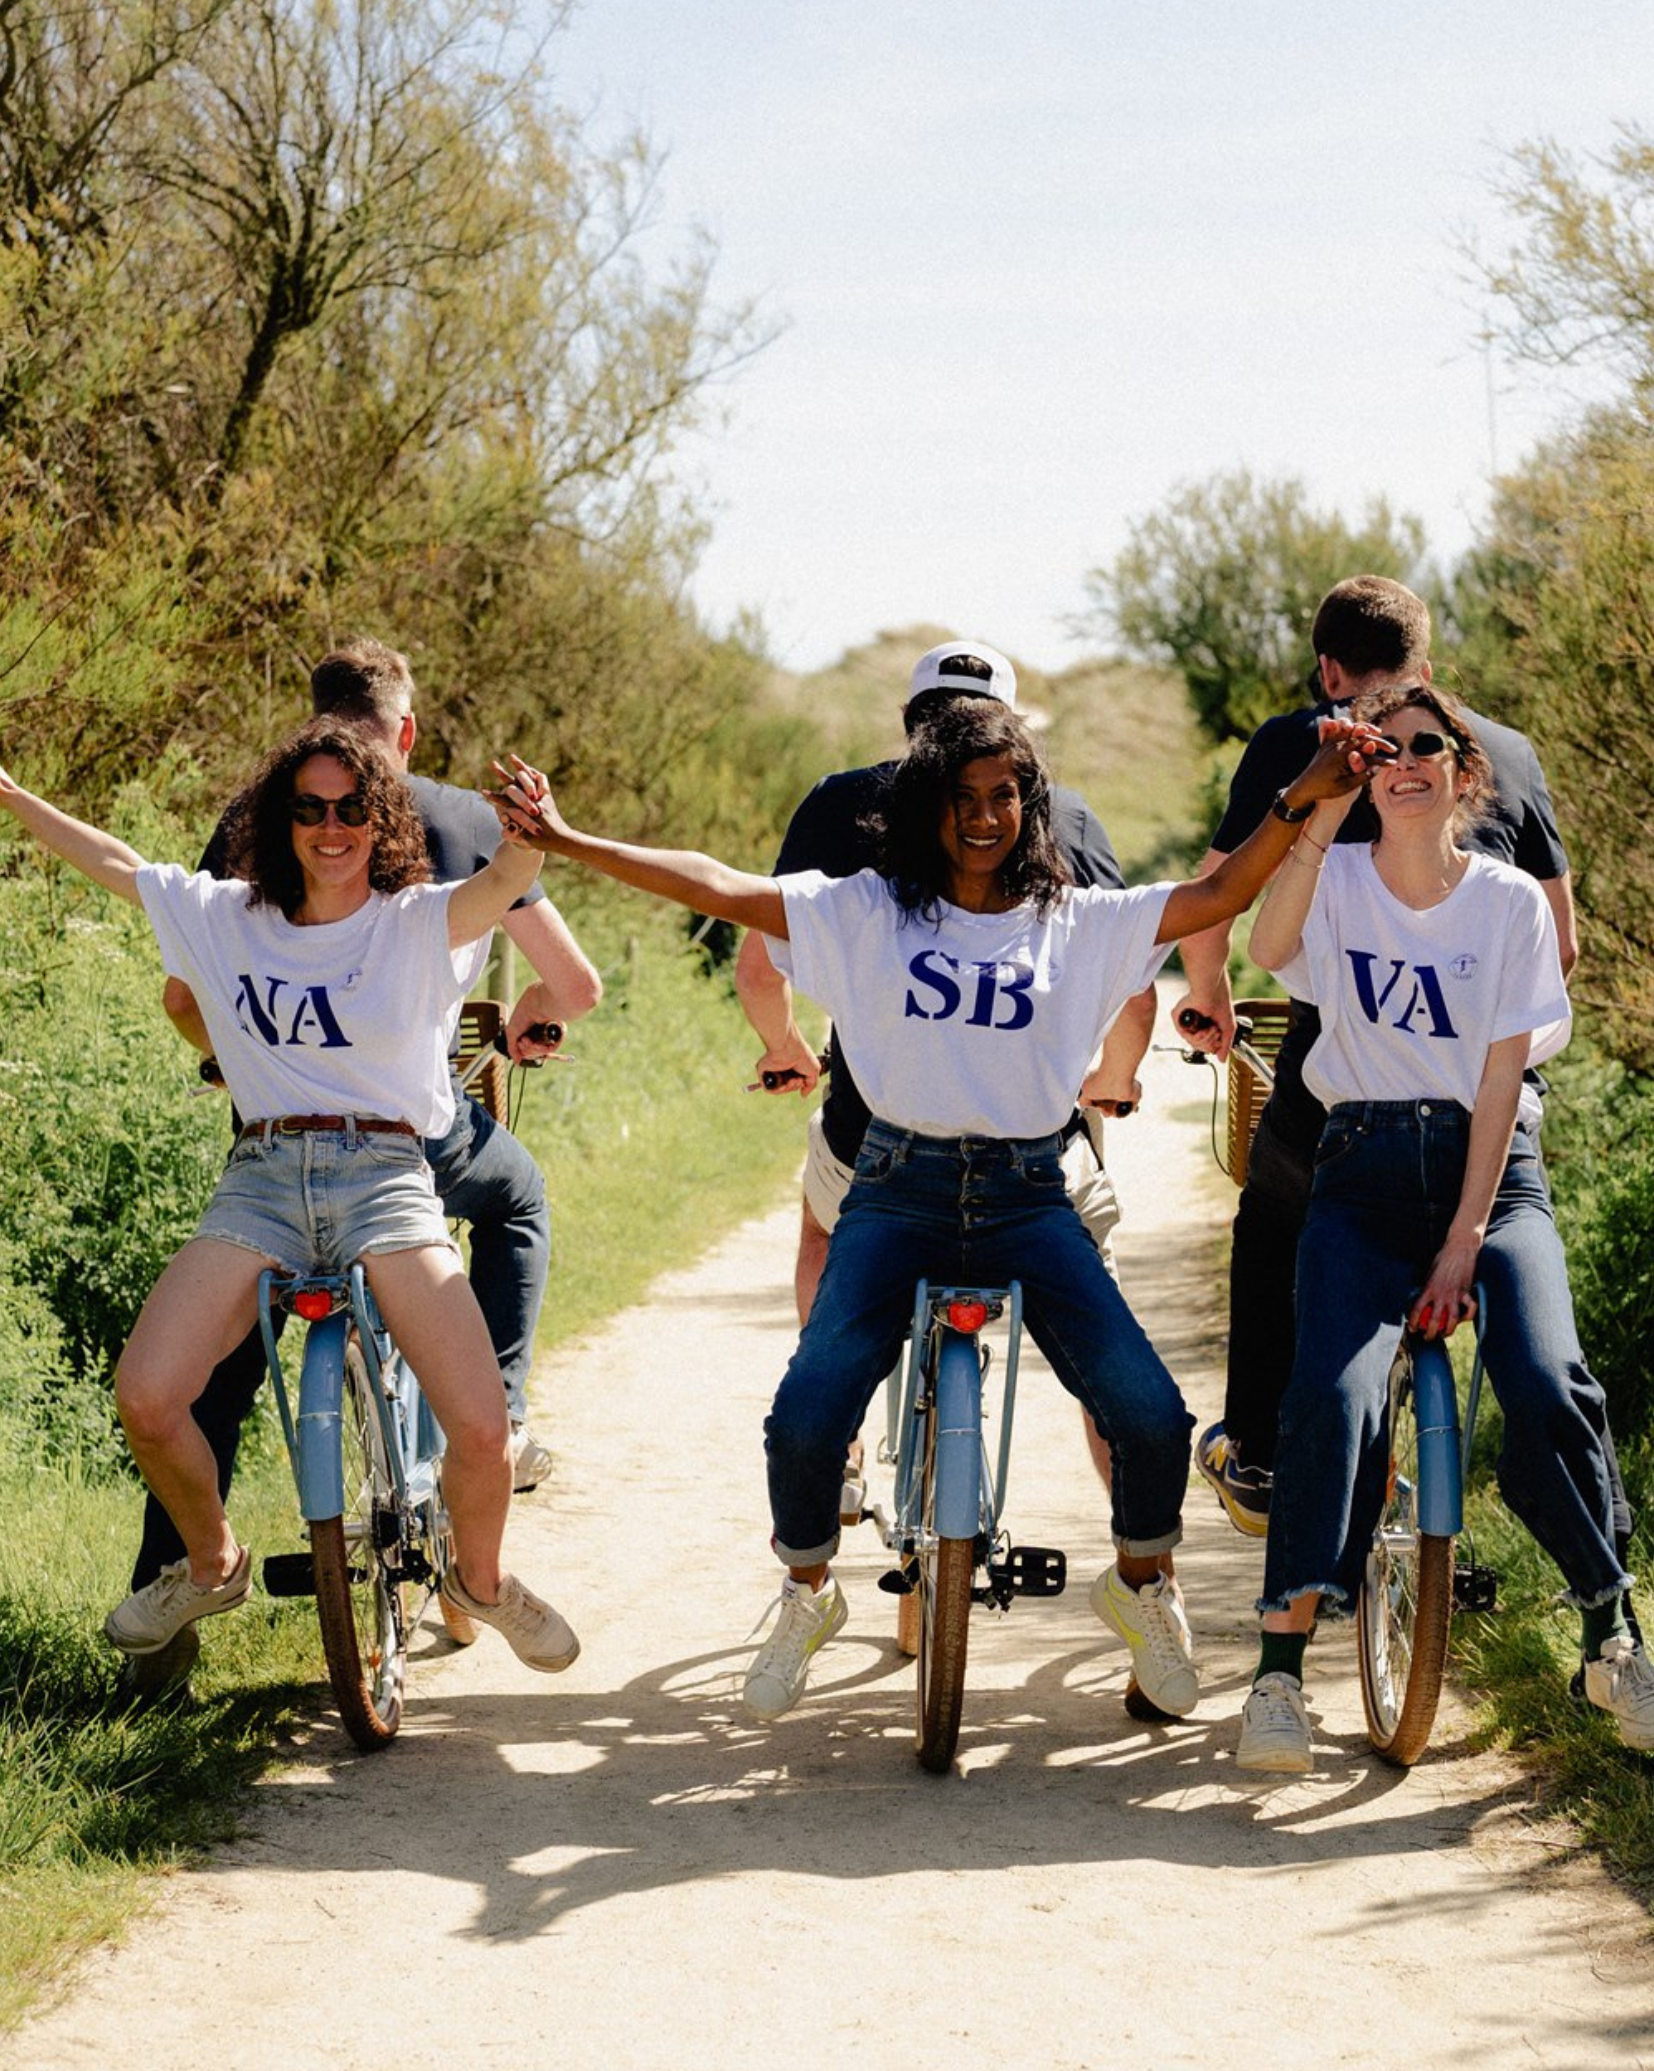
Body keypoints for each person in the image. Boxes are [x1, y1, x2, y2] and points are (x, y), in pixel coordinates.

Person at [488, 695, 1390, 1727]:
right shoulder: (867, 910)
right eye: (962, 796)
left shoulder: (1076, 921)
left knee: (1151, 1415)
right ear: (929, 804)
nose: (984, 815)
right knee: (806, 1413)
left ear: (1030, 806)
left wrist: (1305, 795)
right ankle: (807, 1593)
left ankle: (1142, 1587)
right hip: (897, 1189)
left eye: (1005, 795)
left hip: (1027, 1193)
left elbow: (1221, 887)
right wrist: (563, 840)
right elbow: (716, 883)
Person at [0, 720, 582, 1679]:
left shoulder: (415, 919)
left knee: (482, 1428)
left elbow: (497, 887)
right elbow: (117, 862)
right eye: (309, 808)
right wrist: (17, 800)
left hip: (389, 1177)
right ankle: (211, 1563)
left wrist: (530, 828)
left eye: (353, 808)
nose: (331, 827)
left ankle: (479, 1579)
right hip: (263, 1179)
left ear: (381, 818)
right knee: (147, 1395)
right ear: (284, 819)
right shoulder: (230, 915)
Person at [126, 638, 601, 1702]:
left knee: (216, 1378)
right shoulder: (464, 817)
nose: (333, 824)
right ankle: (505, 1418)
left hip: (280, 1120)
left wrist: (231, 1056)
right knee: (515, 1197)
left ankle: (169, 1613)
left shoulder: (256, 820)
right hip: (412, 1131)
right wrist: (526, 1024)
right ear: (409, 731)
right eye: (319, 808)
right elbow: (573, 980)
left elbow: (181, 991)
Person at [1232, 683, 1653, 1771]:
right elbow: (1263, 939)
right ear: (1367, 773)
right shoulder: (1333, 883)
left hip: (1492, 1174)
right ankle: (1279, 1670)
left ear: (1468, 774)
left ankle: (1611, 1632)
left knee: (1545, 1374)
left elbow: (1504, 1074)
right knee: (1327, 1392)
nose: (1405, 761)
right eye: (1384, 750)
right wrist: (1317, 808)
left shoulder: (1507, 902)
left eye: (1428, 746)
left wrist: (1467, 1236)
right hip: (1360, 1171)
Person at [733, 639, 1155, 1507]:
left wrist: (785, 1049)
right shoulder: (1056, 812)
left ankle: (840, 1441)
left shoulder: (842, 802)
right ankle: (1149, 1560)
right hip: (1039, 1145)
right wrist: (1110, 1076)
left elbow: (760, 960)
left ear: (909, 725)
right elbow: (1137, 988)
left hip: (876, 1133)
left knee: (825, 1229)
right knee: (1099, 1320)